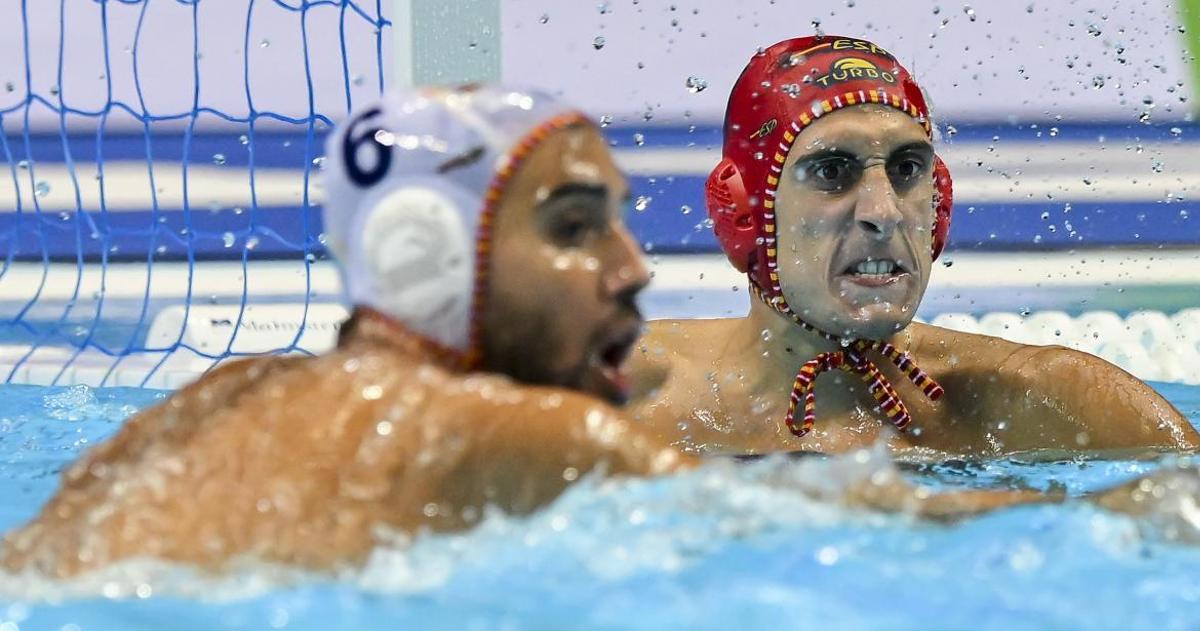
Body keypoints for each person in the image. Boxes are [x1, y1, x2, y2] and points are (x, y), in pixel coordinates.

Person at [3, 86, 1195, 579]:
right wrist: (1120, 511)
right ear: (432, 260)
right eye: (577, 228)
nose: (632, 267)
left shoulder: (228, 394)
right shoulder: (515, 431)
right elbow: (839, 517)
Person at [627, 35, 1199, 457]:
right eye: (831, 171)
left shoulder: (1048, 405)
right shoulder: (626, 397)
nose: (884, 212)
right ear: (746, 214)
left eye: (906, 169)